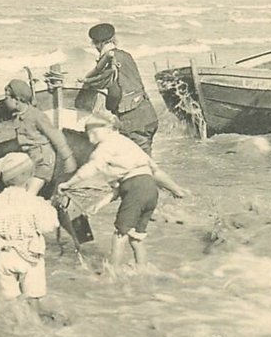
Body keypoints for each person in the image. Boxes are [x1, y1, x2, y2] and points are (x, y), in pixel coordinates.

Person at [57, 115, 187, 269]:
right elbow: (153, 172)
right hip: (149, 188)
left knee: (120, 235)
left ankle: (113, 271)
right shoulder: (127, 144)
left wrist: (69, 183)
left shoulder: (105, 146)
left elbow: (91, 168)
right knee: (137, 237)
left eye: (92, 130)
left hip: (135, 190)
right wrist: (175, 189)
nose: (88, 133)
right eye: (86, 130)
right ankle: (142, 268)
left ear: (109, 129)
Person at [0, 152, 60, 314]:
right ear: (28, 176)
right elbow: (48, 226)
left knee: (10, 300)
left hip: (5, 256)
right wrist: (51, 208)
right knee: (33, 298)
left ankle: (11, 326)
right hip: (30, 255)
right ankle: (37, 328)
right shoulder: (34, 202)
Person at [80, 23, 159, 155]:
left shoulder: (108, 62)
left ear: (97, 44)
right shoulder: (125, 55)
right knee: (144, 161)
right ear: (113, 39)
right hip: (148, 114)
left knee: (135, 164)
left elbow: (115, 94)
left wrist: (109, 108)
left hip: (133, 120)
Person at [4, 79, 78, 195]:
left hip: (43, 160)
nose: (5, 101)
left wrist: (68, 158)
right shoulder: (19, 116)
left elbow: (55, 135)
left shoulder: (36, 115)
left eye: (7, 97)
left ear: (17, 100)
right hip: (31, 159)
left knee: (30, 193)